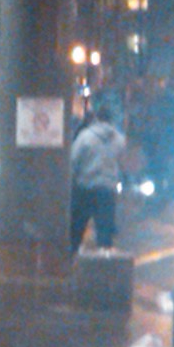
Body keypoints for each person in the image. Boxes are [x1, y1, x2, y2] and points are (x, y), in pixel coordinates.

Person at [69, 105, 127, 253]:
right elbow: (123, 163)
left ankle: (73, 257)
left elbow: (73, 160)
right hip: (107, 188)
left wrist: (73, 179)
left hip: (85, 187)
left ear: (97, 118)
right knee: (105, 231)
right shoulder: (119, 139)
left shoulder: (85, 137)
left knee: (77, 228)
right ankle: (104, 260)